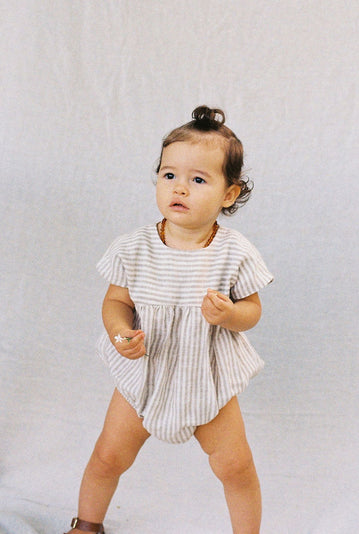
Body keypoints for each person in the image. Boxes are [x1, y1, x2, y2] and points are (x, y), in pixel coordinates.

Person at [65, 106, 273, 534]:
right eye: (169, 175)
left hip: (207, 377)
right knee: (108, 456)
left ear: (229, 194)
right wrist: (120, 332)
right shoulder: (134, 247)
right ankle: (86, 525)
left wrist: (231, 314)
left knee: (235, 466)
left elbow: (252, 312)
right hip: (144, 375)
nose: (179, 187)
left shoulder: (234, 252)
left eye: (198, 180)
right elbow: (116, 301)